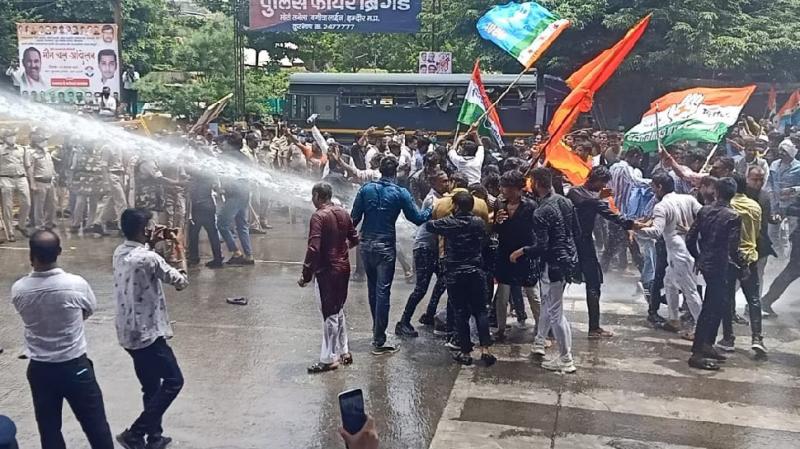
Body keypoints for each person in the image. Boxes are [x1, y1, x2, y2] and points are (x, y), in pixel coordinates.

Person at [11, 230, 115, 449]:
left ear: (31, 255)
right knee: (96, 426)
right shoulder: (76, 284)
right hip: (75, 366)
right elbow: (89, 309)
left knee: (49, 430)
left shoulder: (19, 289)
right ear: (59, 252)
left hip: (40, 369)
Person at [114, 208, 189, 449]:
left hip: (128, 332)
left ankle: (154, 437)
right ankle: (135, 432)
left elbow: (140, 259)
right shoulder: (150, 258)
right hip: (148, 334)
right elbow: (181, 281)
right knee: (174, 381)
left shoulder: (120, 252)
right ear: (145, 229)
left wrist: (151, 243)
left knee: (151, 386)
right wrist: (178, 247)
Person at [350, 155, 431, 354]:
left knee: (373, 289)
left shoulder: (366, 189)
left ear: (380, 170)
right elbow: (417, 218)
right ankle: (379, 338)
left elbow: (353, 219)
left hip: (366, 245)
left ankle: (376, 332)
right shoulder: (400, 193)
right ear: (396, 172)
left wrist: (349, 240)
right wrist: (431, 209)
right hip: (385, 246)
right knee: (383, 291)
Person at [512, 167, 579, 373]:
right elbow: (576, 232)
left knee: (556, 313)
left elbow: (541, 246)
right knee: (549, 305)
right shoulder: (565, 201)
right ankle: (540, 340)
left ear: (536, 184)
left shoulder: (541, 212)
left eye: (530, 182)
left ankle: (566, 359)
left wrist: (522, 251)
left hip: (553, 266)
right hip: (567, 260)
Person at [426, 191, 496, 366]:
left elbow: (429, 225)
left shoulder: (449, 223)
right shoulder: (479, 222)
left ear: (456, 206)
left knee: (460, 312)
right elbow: (484, 239)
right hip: (475, 271)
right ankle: (486, 350)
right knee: (480, 311)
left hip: (455, 273)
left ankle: (465, 352)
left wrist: (435, 209)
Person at [567, 166, 634, 338]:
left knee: (594, 283)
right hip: (571, 243)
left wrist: (628, 224)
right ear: (594, 179)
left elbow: (607, 212)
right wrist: (598, 198)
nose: (602, 187)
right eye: (602, 183)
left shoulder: (594, 197)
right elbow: (585, 203)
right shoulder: (575, 192)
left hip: (586, 242)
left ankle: (594, 327)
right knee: (558, 284)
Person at [299, 182, 359, 373]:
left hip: (327, 271)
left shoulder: (318, 216)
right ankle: (344, 351)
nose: (312, 200)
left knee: (329, 315)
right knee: (338, 310)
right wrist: (341, 250)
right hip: (343, 268)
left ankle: (329, 358)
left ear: (318, 195)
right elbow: (355, 238)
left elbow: (313, 248)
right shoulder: (343, 212)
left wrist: (306, 274)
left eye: (313, 196)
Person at [635, 173, 703, 335]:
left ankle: (702, 331)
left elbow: (656, 232)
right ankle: (673, 320)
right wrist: (692, 230)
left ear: (659, 187)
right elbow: (706, 215)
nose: (652, 191)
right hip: (686, 250)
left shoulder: (661, 206)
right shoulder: (688, 199)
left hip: (679, 253)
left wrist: (634, 228)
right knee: (669, 283)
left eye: (653, 187)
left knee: (690, 290)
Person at [686, 178, 742, 370]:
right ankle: (697, 353)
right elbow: (733, 248)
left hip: (707, 262)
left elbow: (690, 238)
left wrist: (699, 257)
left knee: (717, 305)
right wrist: (743, 266)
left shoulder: (705, 210)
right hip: (720, 265)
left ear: (716, 192)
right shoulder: (733, 216)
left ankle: (707, 344)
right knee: (711, 308)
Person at [717, 174, 766, 355]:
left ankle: (728, 338)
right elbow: (757, 232)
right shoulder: (755, 206)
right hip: (749, 258)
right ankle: (757, 338)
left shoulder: (727, 206)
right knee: (753, 299)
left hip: (728, 259)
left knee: (727, 297)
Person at [395, 171, 449, 337]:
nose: (447, 184)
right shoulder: (433, 200)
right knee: (421, 288)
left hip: (432, 248)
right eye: (443, 181)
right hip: (424, 248)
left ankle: (429, 314)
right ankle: (403, 322)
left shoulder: (441, 197)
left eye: (447, 180)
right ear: (433, 183)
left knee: (444, 279)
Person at [492, 170, 539, 342]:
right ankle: (500, 329)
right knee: (502, 295)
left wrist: (527, 251)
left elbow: (536, 233)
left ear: (517, 189)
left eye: (507, 187)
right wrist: (496, 221)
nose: (503, 190)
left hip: (524, 254)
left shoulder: (531, 206)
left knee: (532, 293)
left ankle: (541, 330)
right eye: (502, 186)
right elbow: (496, 230)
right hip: (504, 253)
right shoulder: (499, 204)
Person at [217, 133, 255, 265]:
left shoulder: (225, 157)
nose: (222, 144)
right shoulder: (245, 158)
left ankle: (236, 252)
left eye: (225, 142)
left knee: (222, 224)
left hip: (234, 194)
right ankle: (249, 255)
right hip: (245, 193)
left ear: (230, 144)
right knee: (242, 225)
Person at [0, 127, 32, 239]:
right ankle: (10, 231)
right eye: (10, 136)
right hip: (5, 178)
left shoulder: (22, 149)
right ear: (4, 138)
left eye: (14, 135)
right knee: (7, 206)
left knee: (27, 203)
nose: (12, 138)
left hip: (21, 177)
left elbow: (27, 166)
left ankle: (21, 225)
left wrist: (31, 181)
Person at [28, 128, 57, 230]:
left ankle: (49, 223)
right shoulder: (32, 154)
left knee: (52, 204)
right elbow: (30, 170)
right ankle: (39, 225)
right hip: (40, 182)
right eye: (44, 141)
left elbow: (50, 166)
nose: (46, 142)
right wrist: (32, 184)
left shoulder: (47, 153)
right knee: (39, 206)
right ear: (38, 143)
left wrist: (54, 175)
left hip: (50, 181)